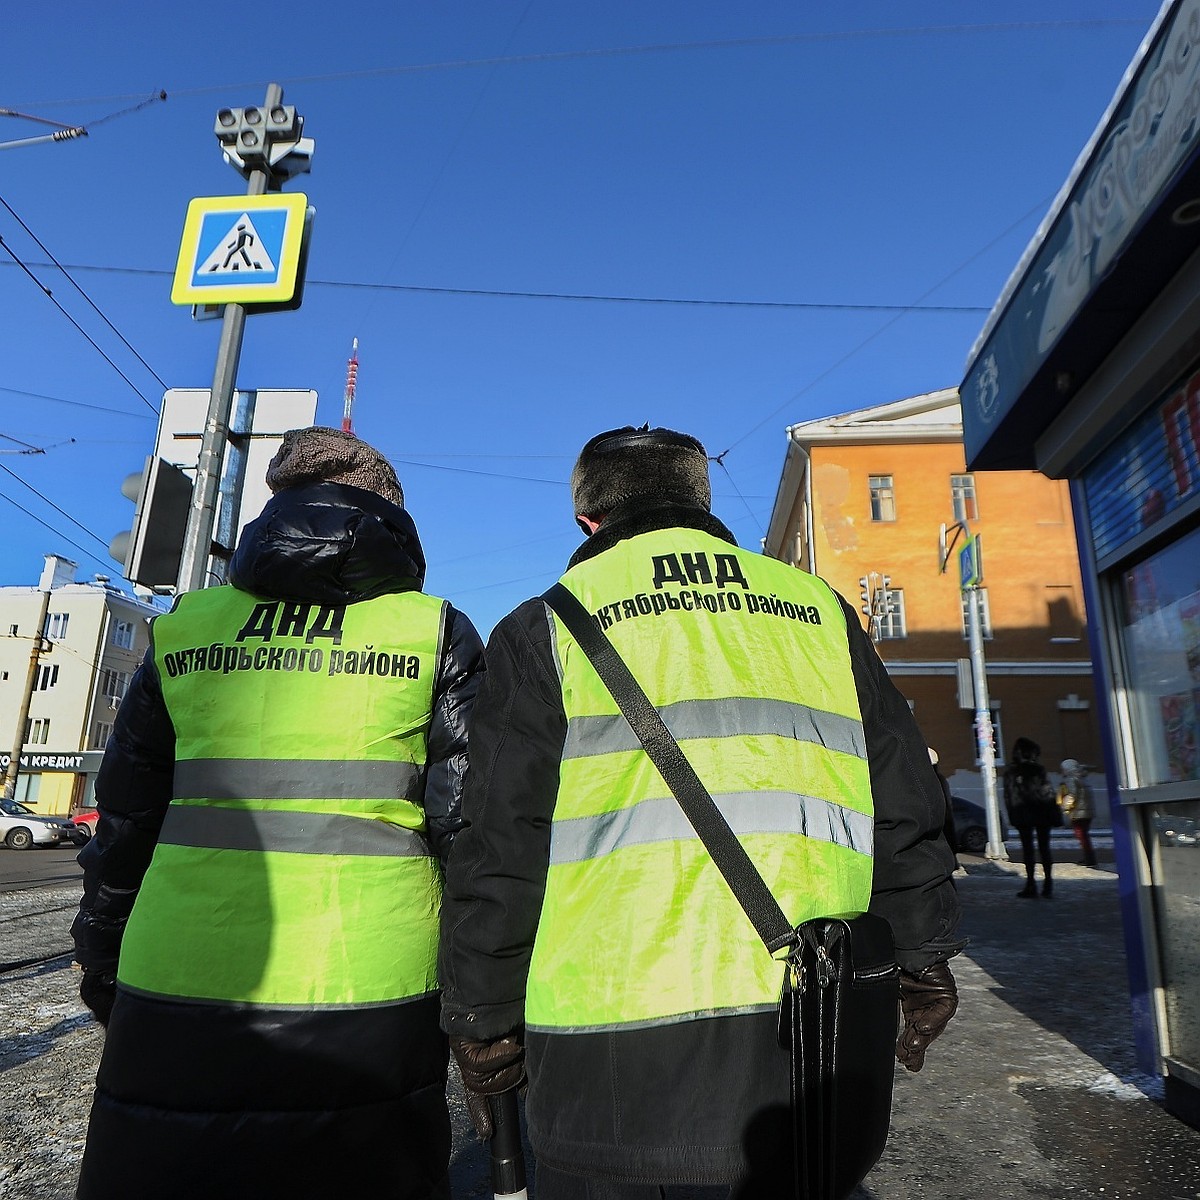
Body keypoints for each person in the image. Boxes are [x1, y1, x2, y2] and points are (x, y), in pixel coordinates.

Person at [438, 425, 964, 1198]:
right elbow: (904, 801)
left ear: (589, 519)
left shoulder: (545, 625)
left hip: (608, 1057)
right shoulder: (817, 609)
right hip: (810, 1031)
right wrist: (921, 956)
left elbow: (500, 842)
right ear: (698, 498)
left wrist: (482, 1019)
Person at [71, 427, 484, 1200]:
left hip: (178, 972)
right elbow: (466, 833)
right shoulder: (432, 631)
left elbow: (126, 816)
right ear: (389, 513)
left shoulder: (187, 627)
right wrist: (483, 996)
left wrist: (100, 955)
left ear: (276, 505)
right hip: (370, 983)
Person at [1003, 736, 1060, 898]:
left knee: (1028, 850)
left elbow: (1009, 797)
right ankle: (1048, 884)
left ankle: (1031, 884)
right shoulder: (1038, 770)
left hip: (1023, 815)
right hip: (1042, 814)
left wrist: (1014, 815)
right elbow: (1047, 793)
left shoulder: (1012, 772)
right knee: (1044, 848)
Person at [1059, 758, 1098, 867]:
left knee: (1082, 836)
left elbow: (1072, 794)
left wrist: (1064, 807)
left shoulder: (1072, 779)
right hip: (1087, 811)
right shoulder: (1082, 777)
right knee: (1084, 836)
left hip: (1079, 812)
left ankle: (1089, 859)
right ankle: (1088, 857)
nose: (1062, 771)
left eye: (1063, 769)